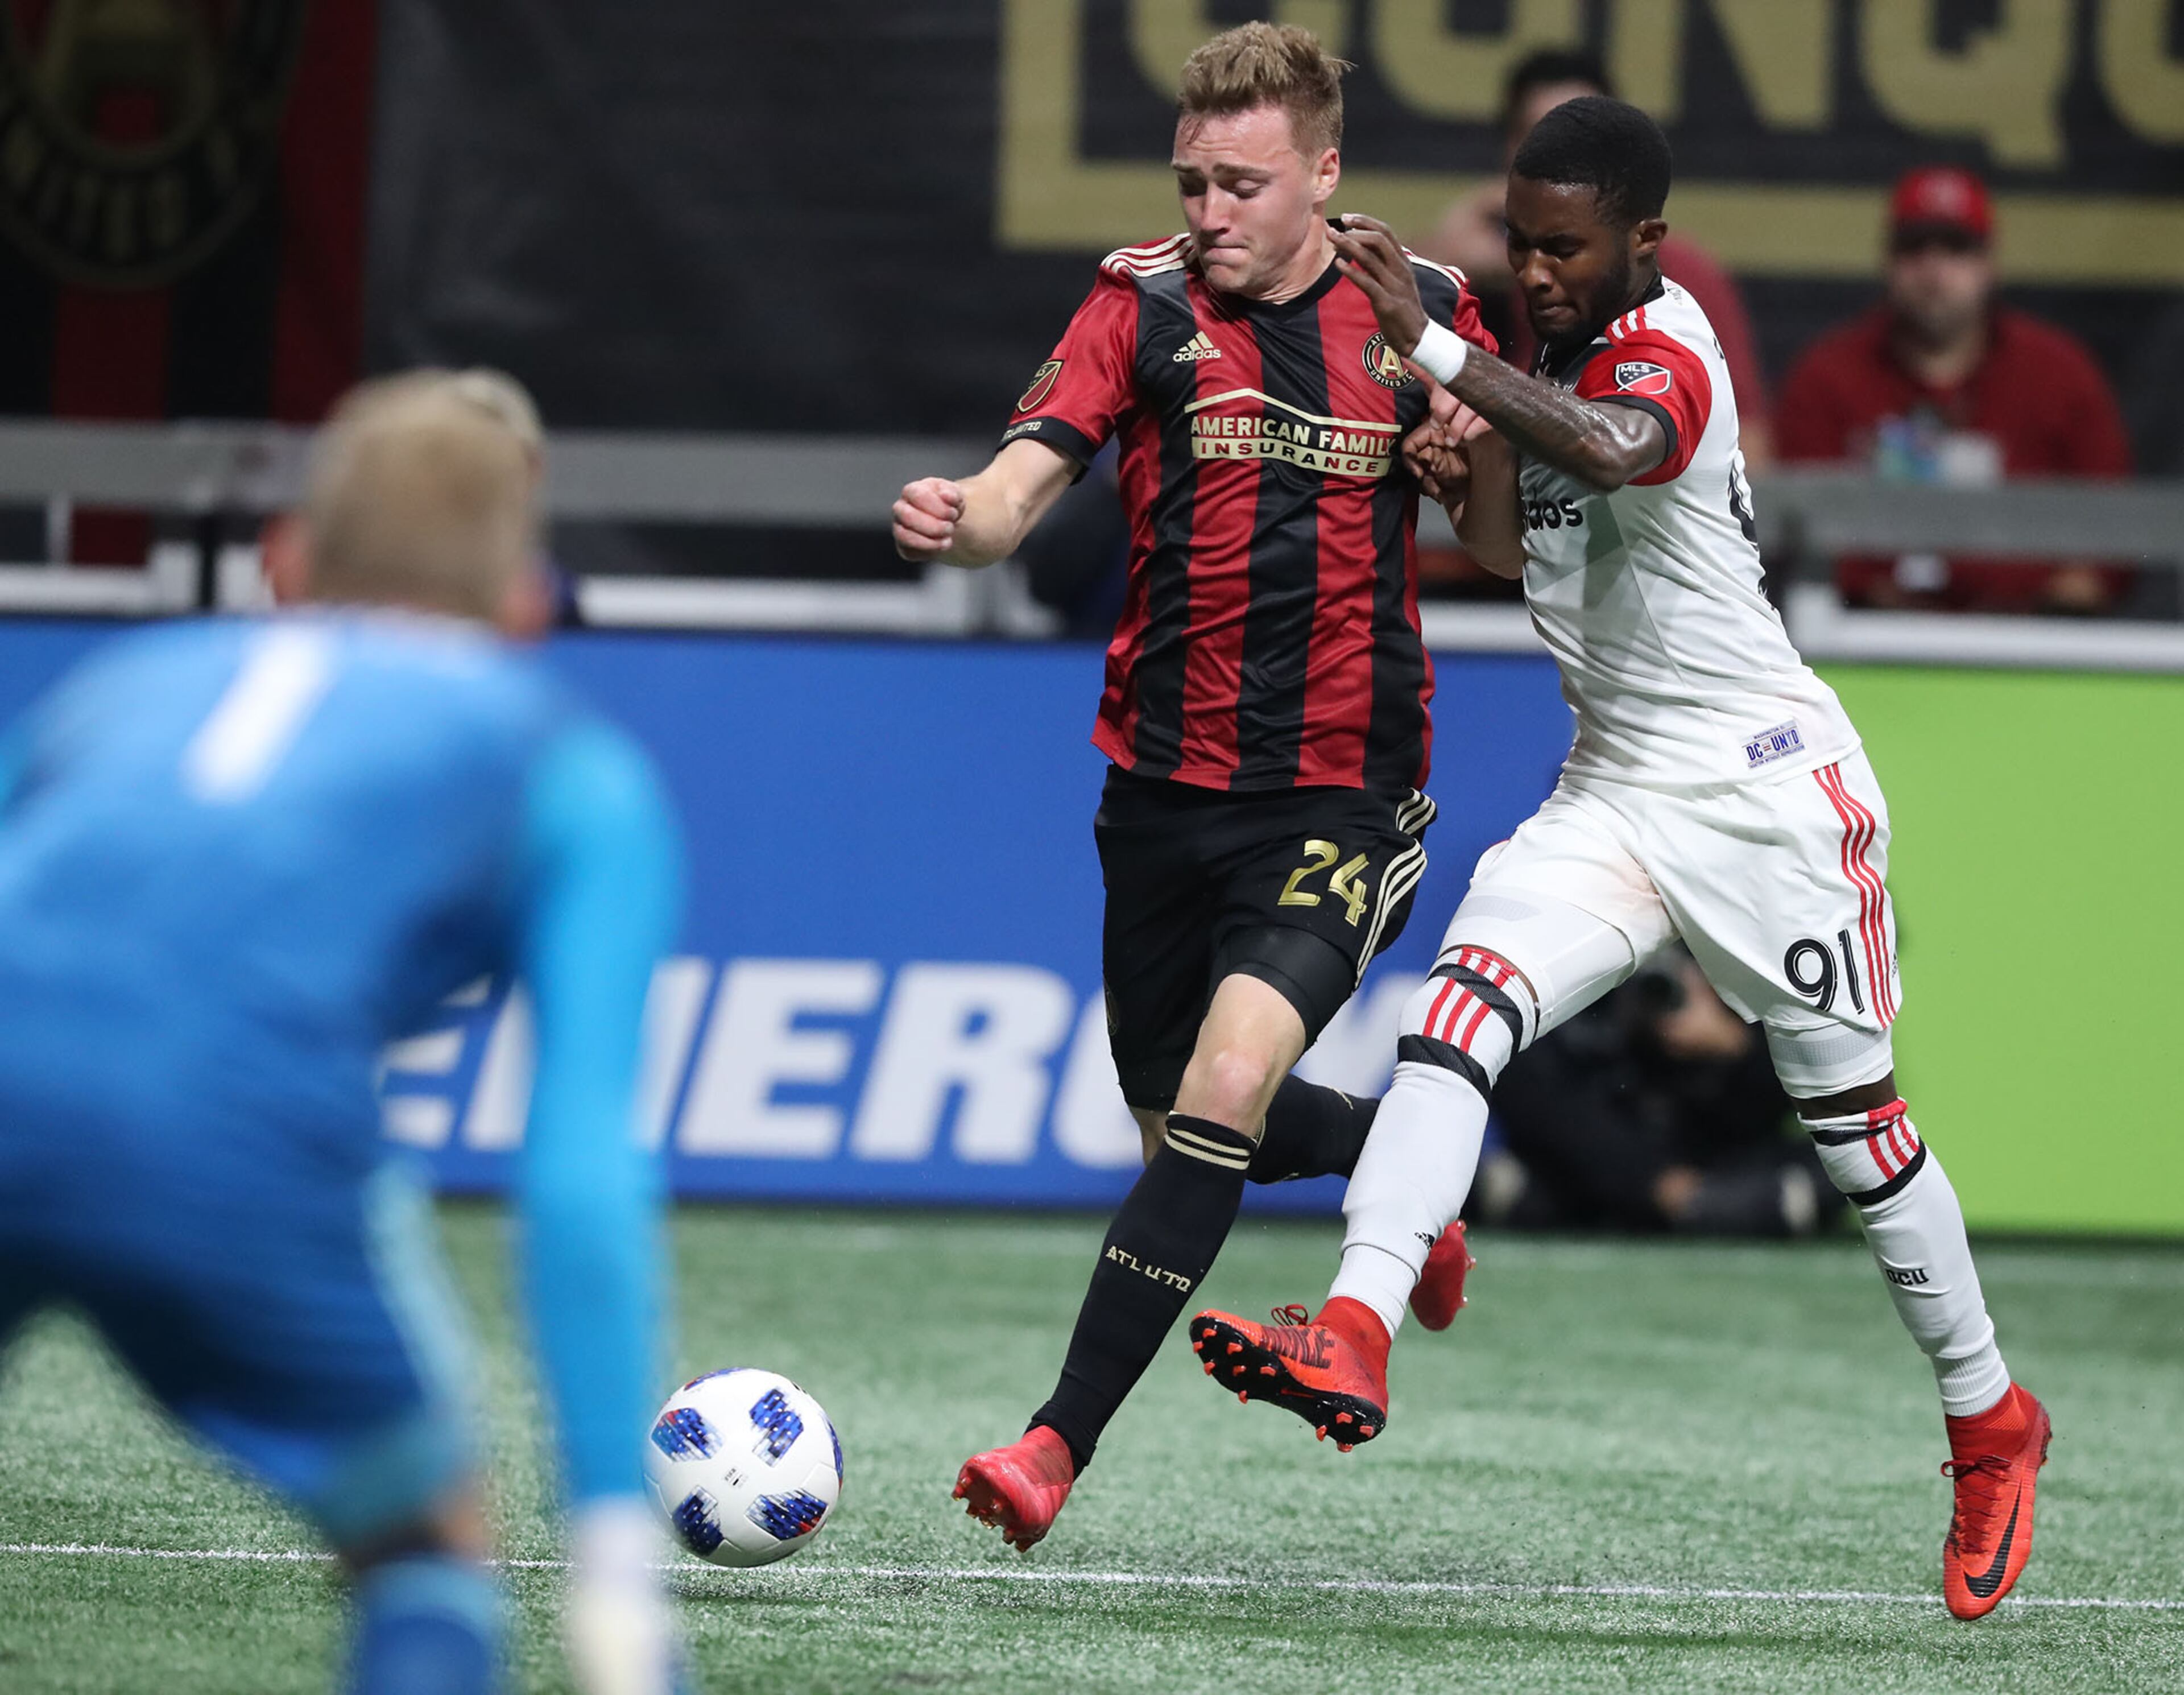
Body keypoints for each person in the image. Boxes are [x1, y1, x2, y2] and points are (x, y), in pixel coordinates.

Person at [1189, 97, 2049, 1621]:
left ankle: (1991, 1418)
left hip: (1772, 795)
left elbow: (1621, 448)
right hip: (1618, 789)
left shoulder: (1669, 348)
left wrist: (1444, 356)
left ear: (1645, 243)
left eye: (1567, 246)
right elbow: (1530, 548)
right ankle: (1355, 1329)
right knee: (1457, 1014)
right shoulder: (1557, 363)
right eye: (1521, 241)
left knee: (1855, 1127)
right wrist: (1464, 472)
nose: (1537, 268)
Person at [890, 21, 1491, 1552]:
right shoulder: (1136, 300)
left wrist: (1470, 453)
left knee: (1222, 1086)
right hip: (1159, 796)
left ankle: (1049, 1446)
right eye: (1193, 181)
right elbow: (1022, 489)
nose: (1211, 212)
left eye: (1242, 183)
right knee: (1181, 1119)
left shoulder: (1418, 313)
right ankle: (1388, 1156)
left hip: (1348, 795)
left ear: (1324, 176)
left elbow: (1498, 539)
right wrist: (961, 518)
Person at [0, 372, 684, 1694]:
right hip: (221, 1136)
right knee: (425, 1544)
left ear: (284, 562)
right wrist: (611, 1549)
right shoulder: (565, 766)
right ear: (526, 603)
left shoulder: (123, 683)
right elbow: (581, 1170)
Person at [1777, 167, 2134, 614]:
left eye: (1956, 248)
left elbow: (2114, 540)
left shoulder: (2059, 374)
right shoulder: (1829, 377)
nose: (1934, 270)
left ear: (1990, 264)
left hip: (2038, 650)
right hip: (1866, 643)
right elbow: (1800, 537)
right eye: (1914, 248)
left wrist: (2022, 625)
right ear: (1887, 260)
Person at [1429, 48, 1771, 470]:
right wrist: (1437, 263)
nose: (1536, 275)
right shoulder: (1470, 269)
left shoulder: (1678, 287)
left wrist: (1446, 355)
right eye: (1539, 138)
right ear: (1509, 153)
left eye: (1581, 142)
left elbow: (1741, 453)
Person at [1483, 948, 1840, 1238]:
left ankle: (1707, 1208)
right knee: (1515, 1182)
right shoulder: (1575, 958)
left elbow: (1800, 1089)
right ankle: (1707, 1211)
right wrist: (1656, 1185)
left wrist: (1735, 1046)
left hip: (1714, 1148)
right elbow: (1530, 1086)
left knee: (1841, 1162)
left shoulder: (1747, 959)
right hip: (1610, 1149)